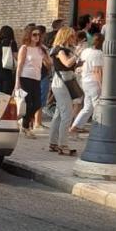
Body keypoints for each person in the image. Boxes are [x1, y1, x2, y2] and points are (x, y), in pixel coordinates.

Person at [48, 27, 81, 156]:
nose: (74, 38)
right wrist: (77, 54)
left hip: (64, 81)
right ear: (66, 36)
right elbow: (66, 63)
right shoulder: (59, 50)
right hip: (61, 83)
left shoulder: (65, 49)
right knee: (66, 113)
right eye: (72, 36)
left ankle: (53, 143)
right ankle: (63, 144)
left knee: (59, 113)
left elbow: (70, 65)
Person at [14, 25, 51, 137]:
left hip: (37, 78)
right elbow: (19, 65)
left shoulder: (40, 49)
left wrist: (47, 55)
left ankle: (24, 124)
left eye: (39, 35)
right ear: (29, 35)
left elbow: (48, 63)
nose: (37, 37)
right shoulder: (24, 48)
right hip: (25, 78)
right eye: (34, 34)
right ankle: (25, 126)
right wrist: (17, 82)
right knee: (29, 103)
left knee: (37, 104)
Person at [70, 32, 104, 135]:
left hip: (85, 80)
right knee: (97, 106)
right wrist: (102, 86)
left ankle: (76, 126)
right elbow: (97, 71)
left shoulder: (85, 51)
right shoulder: (98, 53)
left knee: (88, 107)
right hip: (94, 82)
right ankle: (100, 129)